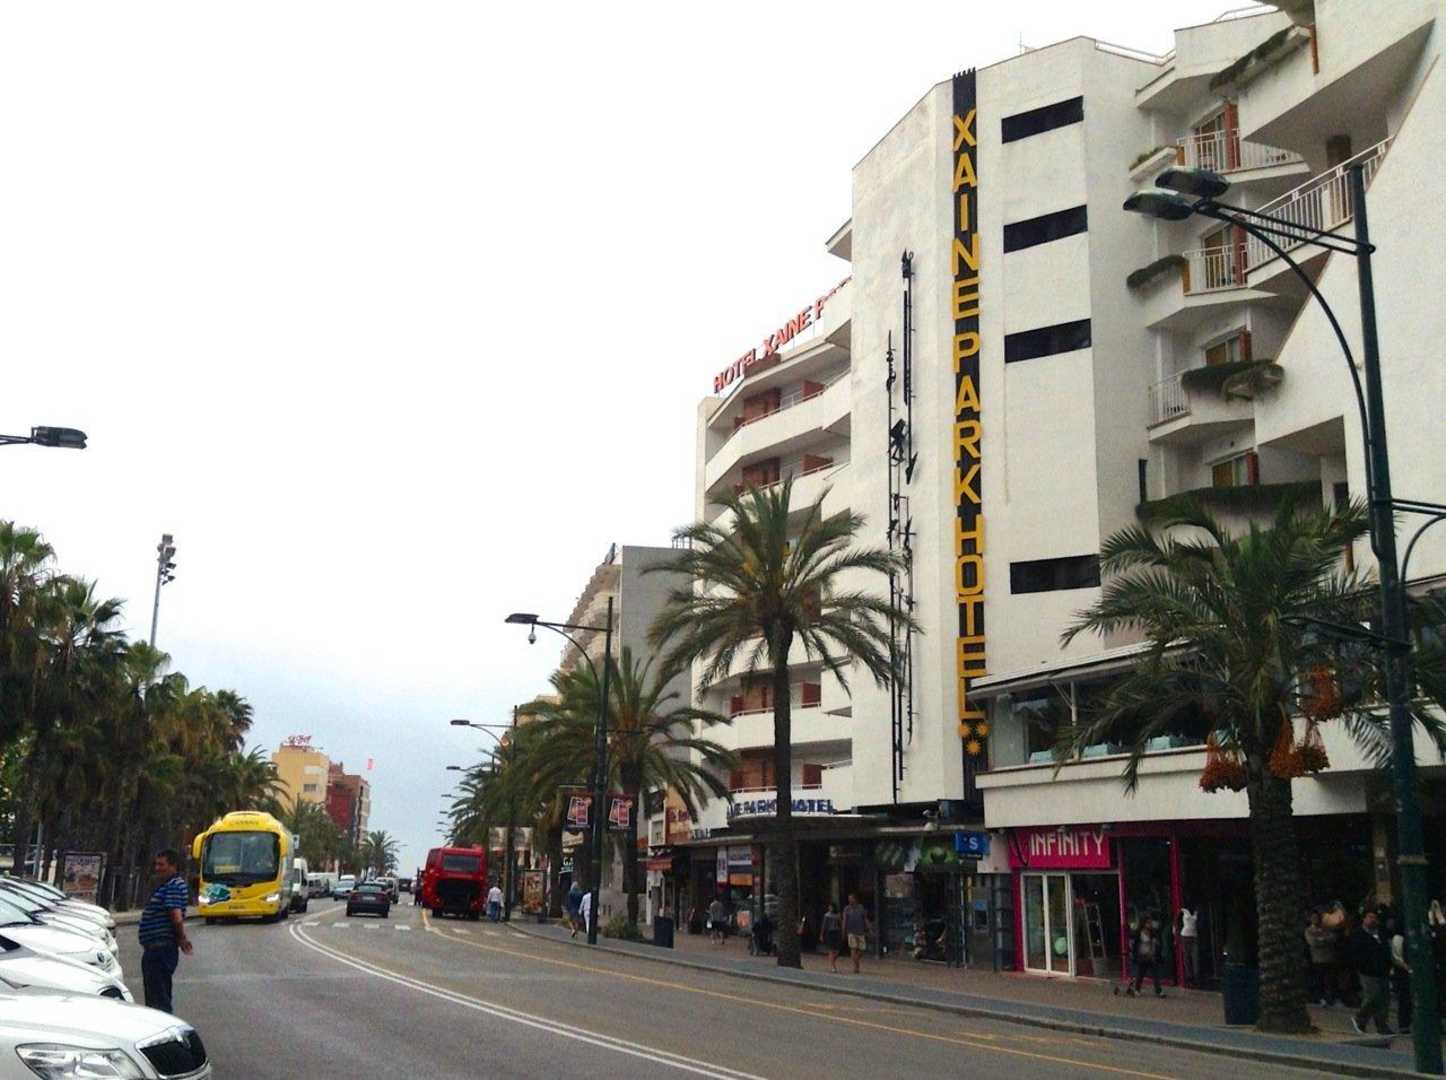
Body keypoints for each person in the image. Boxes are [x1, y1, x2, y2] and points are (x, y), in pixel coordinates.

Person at [138, 849, 193, 1014]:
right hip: (157, 949)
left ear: (173, 866)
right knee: (157, 994)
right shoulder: (169, 885)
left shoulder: (174, 886)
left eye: (162, 865)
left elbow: (176, 916)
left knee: (158, 998)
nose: (157, 868)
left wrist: (182, 939)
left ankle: (163, 1026)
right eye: (156, 864)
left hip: (160, 949)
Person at [1348, 905, 1393, 1035]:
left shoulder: (1382, 933)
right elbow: (1355, 953)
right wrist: (1362, 965)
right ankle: (1360, 1018)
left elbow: (1386, 950)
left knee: (1384, 999)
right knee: (1373, 996)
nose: (1372, 920)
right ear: (1364, 919)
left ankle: (1382, 1025)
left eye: (1375, 917)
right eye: (1370, 917)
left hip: (1382, 970)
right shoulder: (1358, 934)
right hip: (1367, 971)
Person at [1305, 908, 1340, 1006]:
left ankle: (1330, 998)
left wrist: (1321, 939)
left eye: (1316, 917)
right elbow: (1313, 942)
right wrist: (1324, 939)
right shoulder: (1309, 930)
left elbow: (1333, 938)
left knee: (1330, 980)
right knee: (1319, 980)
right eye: (1313, 918)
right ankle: (1320, 998)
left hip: (1329, 958)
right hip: (1317, 959)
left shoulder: (1326, 928)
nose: (1315, 919)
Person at [1126, 914, 1164, 998]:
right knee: (1140, 974)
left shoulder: (1153, 932)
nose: (1150, 924)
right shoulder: (1138, 933)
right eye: (1148, 923)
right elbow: (1135, 946)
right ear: (1143, 923)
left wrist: (1156, 947)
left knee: (1155, 975)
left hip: (1151, 956)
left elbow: (1156, 943)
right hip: (1143, 956)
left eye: (1150, 922)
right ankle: (1137, 989)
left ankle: (1159, 991)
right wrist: (1135, 955)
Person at [1390, 914, 1413, 1035]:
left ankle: (1406, 1023)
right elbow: (1397, 958)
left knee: (1407, 999)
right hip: (1403, 974)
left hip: (1406, 972)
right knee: (1405, 998)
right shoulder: (1399, 937)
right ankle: (1404, 1024)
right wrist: (1408, 968)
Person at [841, 892, 871, 974]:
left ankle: (856, 959)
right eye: (849, 899)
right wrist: (843, 930)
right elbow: (844, 920)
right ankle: (856, 967)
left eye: (851, 898)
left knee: (862, 948)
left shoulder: (861, 907)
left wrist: (869, 928)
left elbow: (865, 918)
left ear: (855, 899)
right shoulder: (847, 909)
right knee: (853, 948)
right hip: (851, 931)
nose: (850, 900)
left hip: (860, 931)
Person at [1177, 902, 1199, 988]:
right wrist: (1177, 932)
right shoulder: (1183, 910)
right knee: (1187, 957)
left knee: (1195, 957)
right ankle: (1189, 978)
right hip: (1185, 936)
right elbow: (1177, 921)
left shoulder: (1196, 911)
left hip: (1194, 936)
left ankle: (1196, 978)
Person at [821, 902, 842, 973]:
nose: (830, 908)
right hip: (829, 932)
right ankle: (833, 966)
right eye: (829, 907)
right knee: (831, 950)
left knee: (837, 950)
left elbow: (840, 923)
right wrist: (821, 934)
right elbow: (824, 925)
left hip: (837, 932)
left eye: (831, 907)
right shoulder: (827, 915)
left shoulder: (837, 915)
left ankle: (832, 961)